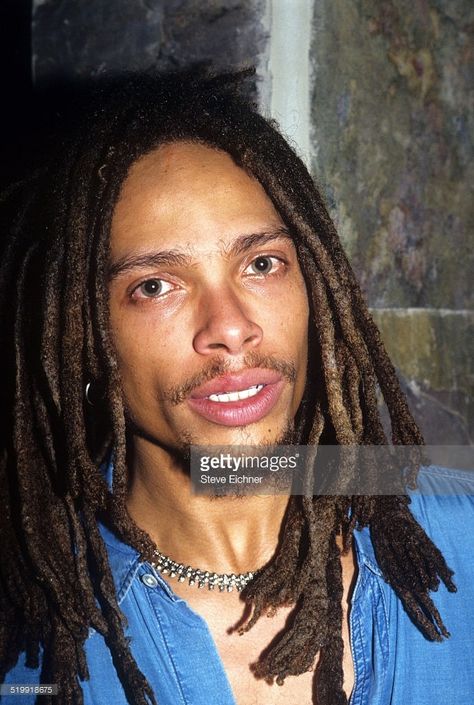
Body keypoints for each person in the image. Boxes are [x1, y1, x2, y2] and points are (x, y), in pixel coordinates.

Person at [0, 68, 473, 705]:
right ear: (82, 335)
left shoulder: (460, 534)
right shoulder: (28, 640)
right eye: (155, 286)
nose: (230, 329)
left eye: (261, 264)